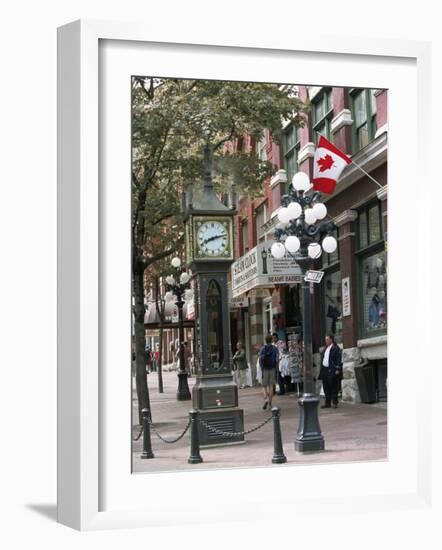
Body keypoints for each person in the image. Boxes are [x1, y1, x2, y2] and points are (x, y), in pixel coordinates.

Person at [318, 334, 342, 408]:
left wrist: (337, 369)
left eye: (327, 339)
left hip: (332, 369)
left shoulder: (335, 348)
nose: (326, 341)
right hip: (324, 369)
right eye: (325, 339)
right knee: (326, 386)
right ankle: (327, 402)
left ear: (331, 340)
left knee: (333, 386)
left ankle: (335, 402)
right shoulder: (325, 348)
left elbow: (338, 359)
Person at [259, 334, 278, 410]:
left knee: (264, 386)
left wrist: (261, 368)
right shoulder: (275, 348)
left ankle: (266, 399)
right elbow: (277, 359)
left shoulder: (262, 348)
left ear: (265, 340)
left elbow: (260, 359)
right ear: (272, 340)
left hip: (265, 369)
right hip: (272, 368)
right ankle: (270, 403)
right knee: (271, 386)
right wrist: (276, 367)